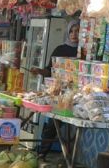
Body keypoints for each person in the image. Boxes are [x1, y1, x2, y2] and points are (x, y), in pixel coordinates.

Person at [34, 20, 80, 156]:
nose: (74, 34)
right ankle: (42, 152)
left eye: (77, 31)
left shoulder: (85, 51)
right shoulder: (60, 49)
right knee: (54, 124)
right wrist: (39, 71)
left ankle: (70, 156)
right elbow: (50, 70)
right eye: (71, 31)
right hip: (61, 95)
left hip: (78, 94)